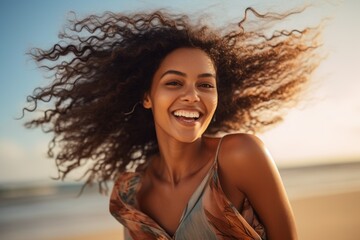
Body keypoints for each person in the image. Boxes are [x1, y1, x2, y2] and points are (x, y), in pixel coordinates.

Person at [23, 7, 320, 240]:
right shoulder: (130, 192)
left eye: (205, 85)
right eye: (174, 82)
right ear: (148, 97)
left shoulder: (240, 155)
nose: (192, 96)